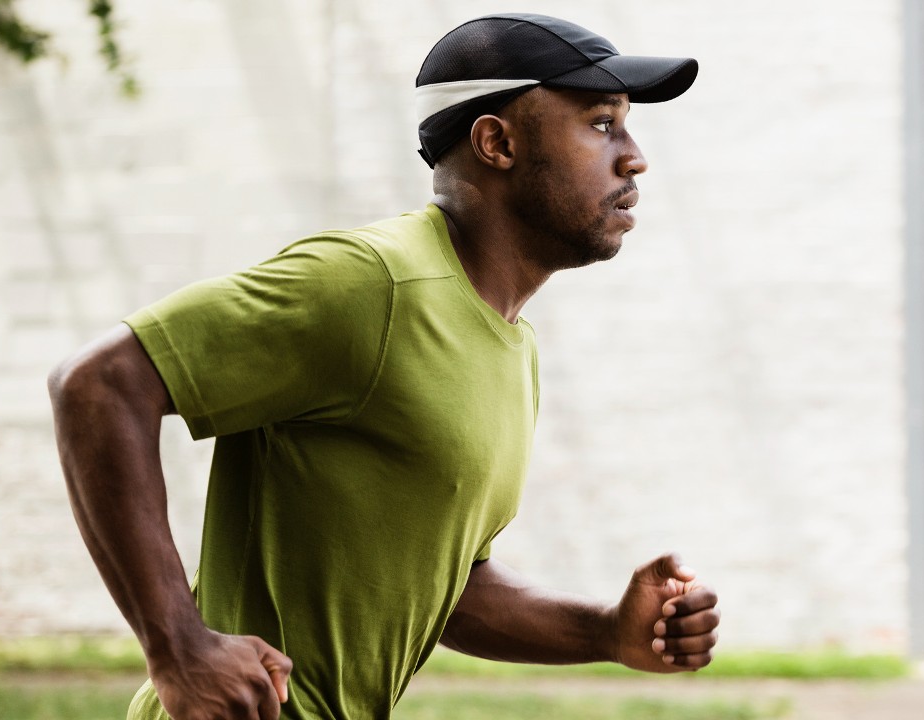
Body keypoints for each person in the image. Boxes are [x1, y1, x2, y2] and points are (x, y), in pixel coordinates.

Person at [49, 13, 718, 720]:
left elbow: (448, 588)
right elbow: (99, 384)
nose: (634, 156)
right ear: (497, 141)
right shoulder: (370, 283)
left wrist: (607, 629)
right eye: (601, 123)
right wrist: (178, 645)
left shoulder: (513, 348)